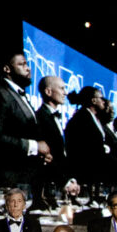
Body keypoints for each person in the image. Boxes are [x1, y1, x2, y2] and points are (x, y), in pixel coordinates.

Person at [0, 52, 52, 198]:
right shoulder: (0, 93)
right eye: (22, 64)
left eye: (27, 64)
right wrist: (34, 146)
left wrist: (42, 153)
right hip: (8, 184)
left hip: (26, 181)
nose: (28, 68)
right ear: (7, 69)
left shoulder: (17, 94)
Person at [35, 75, 69, 206]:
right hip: (46, 188)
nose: (65, 92)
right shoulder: (40, 117)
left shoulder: (55, 117)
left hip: (58, 185)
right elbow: (46, 157)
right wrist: (63, 181)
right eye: (62, 88)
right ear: (48, 92)